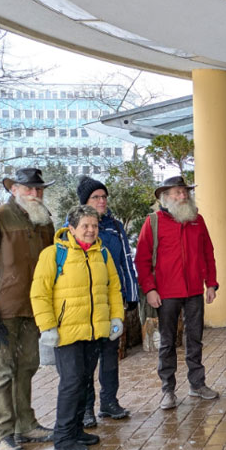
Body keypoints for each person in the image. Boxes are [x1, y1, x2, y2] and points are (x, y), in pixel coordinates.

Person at [30, 205, 124, 450]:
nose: (91, 230)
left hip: (94, 331)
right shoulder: (53, 254)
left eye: (94, 225)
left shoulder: (101, 253)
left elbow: (113, 288)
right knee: (71, 384)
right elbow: (39, 293)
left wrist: (116, 317)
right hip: (66, 332)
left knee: (83, 381)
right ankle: (62, 438)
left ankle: (76, 430)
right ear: (71, 228)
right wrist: (47, 326)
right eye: (85, 226)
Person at [135, 176, 220, 410]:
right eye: (177, 192)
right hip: (166, 292)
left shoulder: (197, 220)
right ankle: (168, 390)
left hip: (194, 289)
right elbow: (142, 260)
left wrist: (211, 284)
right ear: (165, 197)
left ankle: (197, 384)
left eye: (185, 192)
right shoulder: (153, 222)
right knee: (167, 342)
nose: (183, 196)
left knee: (195, 339)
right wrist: (150, 289)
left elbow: (208, 253)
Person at [0, 168, 56, 450]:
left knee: (27, 366)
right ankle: (3, 434)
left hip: (33, 309)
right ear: (14, 189)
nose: (35, 193)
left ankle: (25, 425)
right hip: (2, 310)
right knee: (1, 372)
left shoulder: (44, 222)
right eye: (29, 188)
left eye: (39, 189)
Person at [75, 177, 138, 427]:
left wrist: (131, 294)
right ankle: (86, 408)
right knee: (87, 359)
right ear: (85, 202)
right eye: (96, 197)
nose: (102, 201)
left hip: (112, 302)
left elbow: (126, 260)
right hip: (87, 305)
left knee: (111, 355)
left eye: (104, 196)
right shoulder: (75, 226)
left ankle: (109, 402)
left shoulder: (115, 226)